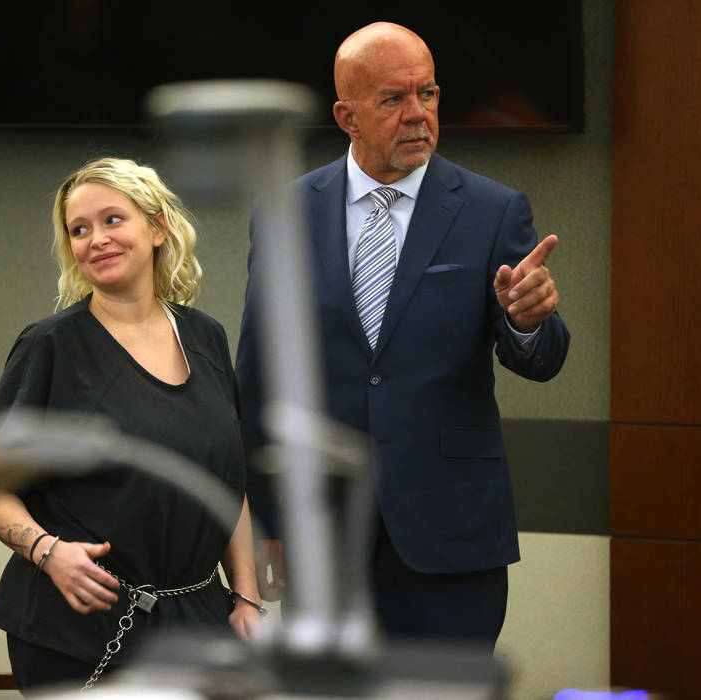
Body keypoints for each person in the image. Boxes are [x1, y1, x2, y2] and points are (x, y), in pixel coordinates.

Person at [236, 22, 570, 648]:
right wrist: (270, 518)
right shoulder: (285, 212)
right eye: (393, 99)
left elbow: (542, 356)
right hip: (326, 538)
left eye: (430, 93)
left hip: (451, 538)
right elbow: (259, 376)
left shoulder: (491, 209)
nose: (418, 114)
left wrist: (530, 321)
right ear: (347, 115)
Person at [0, 157, 264, 693]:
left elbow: (231, 483)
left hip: (199, 616)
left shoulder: (206, 337)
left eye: (113, 220)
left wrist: (245, 595)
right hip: (79, 624)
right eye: (79, 230)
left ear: (156, 227)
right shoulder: (50, 346)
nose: (96, 239)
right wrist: (47, 551)